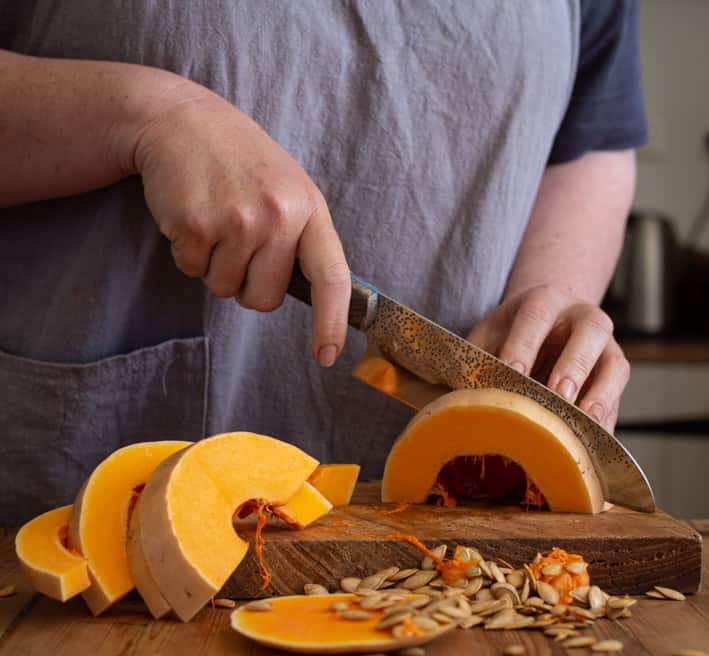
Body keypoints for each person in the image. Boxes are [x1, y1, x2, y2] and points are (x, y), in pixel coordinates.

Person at [0, 1, 647, 525]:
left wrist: (548, 293)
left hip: (450, 549)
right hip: (74, 527)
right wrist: (149, 116)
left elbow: (590, 141)